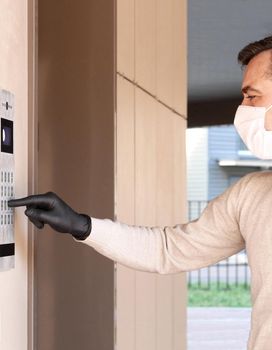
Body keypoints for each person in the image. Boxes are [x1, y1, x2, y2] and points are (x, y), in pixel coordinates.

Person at [8, 35, 272, 350]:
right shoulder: (252, 194)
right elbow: (168, 249)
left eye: (252, 97)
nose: (242, 109)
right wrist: (83, 226)